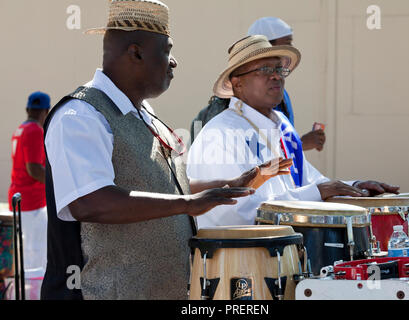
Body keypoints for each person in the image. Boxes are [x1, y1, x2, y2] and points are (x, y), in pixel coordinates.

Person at [41, 0, 290, 300]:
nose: (174, 62)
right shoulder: (80, 116)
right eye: (167, 51)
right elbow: (90, 201)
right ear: (136, 53)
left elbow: (164, 190)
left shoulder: (145, 115)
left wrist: (227, 185)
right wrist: (187, 203)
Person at [186, 35, 400, 228]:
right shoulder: (222, 133)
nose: (276, 76)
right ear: (237, 84)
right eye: (264, 70)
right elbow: (236, 215)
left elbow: (308, 181)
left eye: (279, 69)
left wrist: (354, 187)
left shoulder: (281, 123)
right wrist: (318, 193)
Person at [190, 17, 326, 153]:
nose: (290, 48)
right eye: (287, 43)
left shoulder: (280, 96)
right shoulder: (226, 117)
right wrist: (301, 144)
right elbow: (255, 159)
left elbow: (278, 157)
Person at [8, 91, 49, 280]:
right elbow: (34, 169)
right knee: (35, 255)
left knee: (25, 253)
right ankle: (32, 293)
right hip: (31, 202)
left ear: (27, 109)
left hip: (19, 197)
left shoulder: (21, 128)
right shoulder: (35, 130)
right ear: (46, 112)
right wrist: (57, 184)